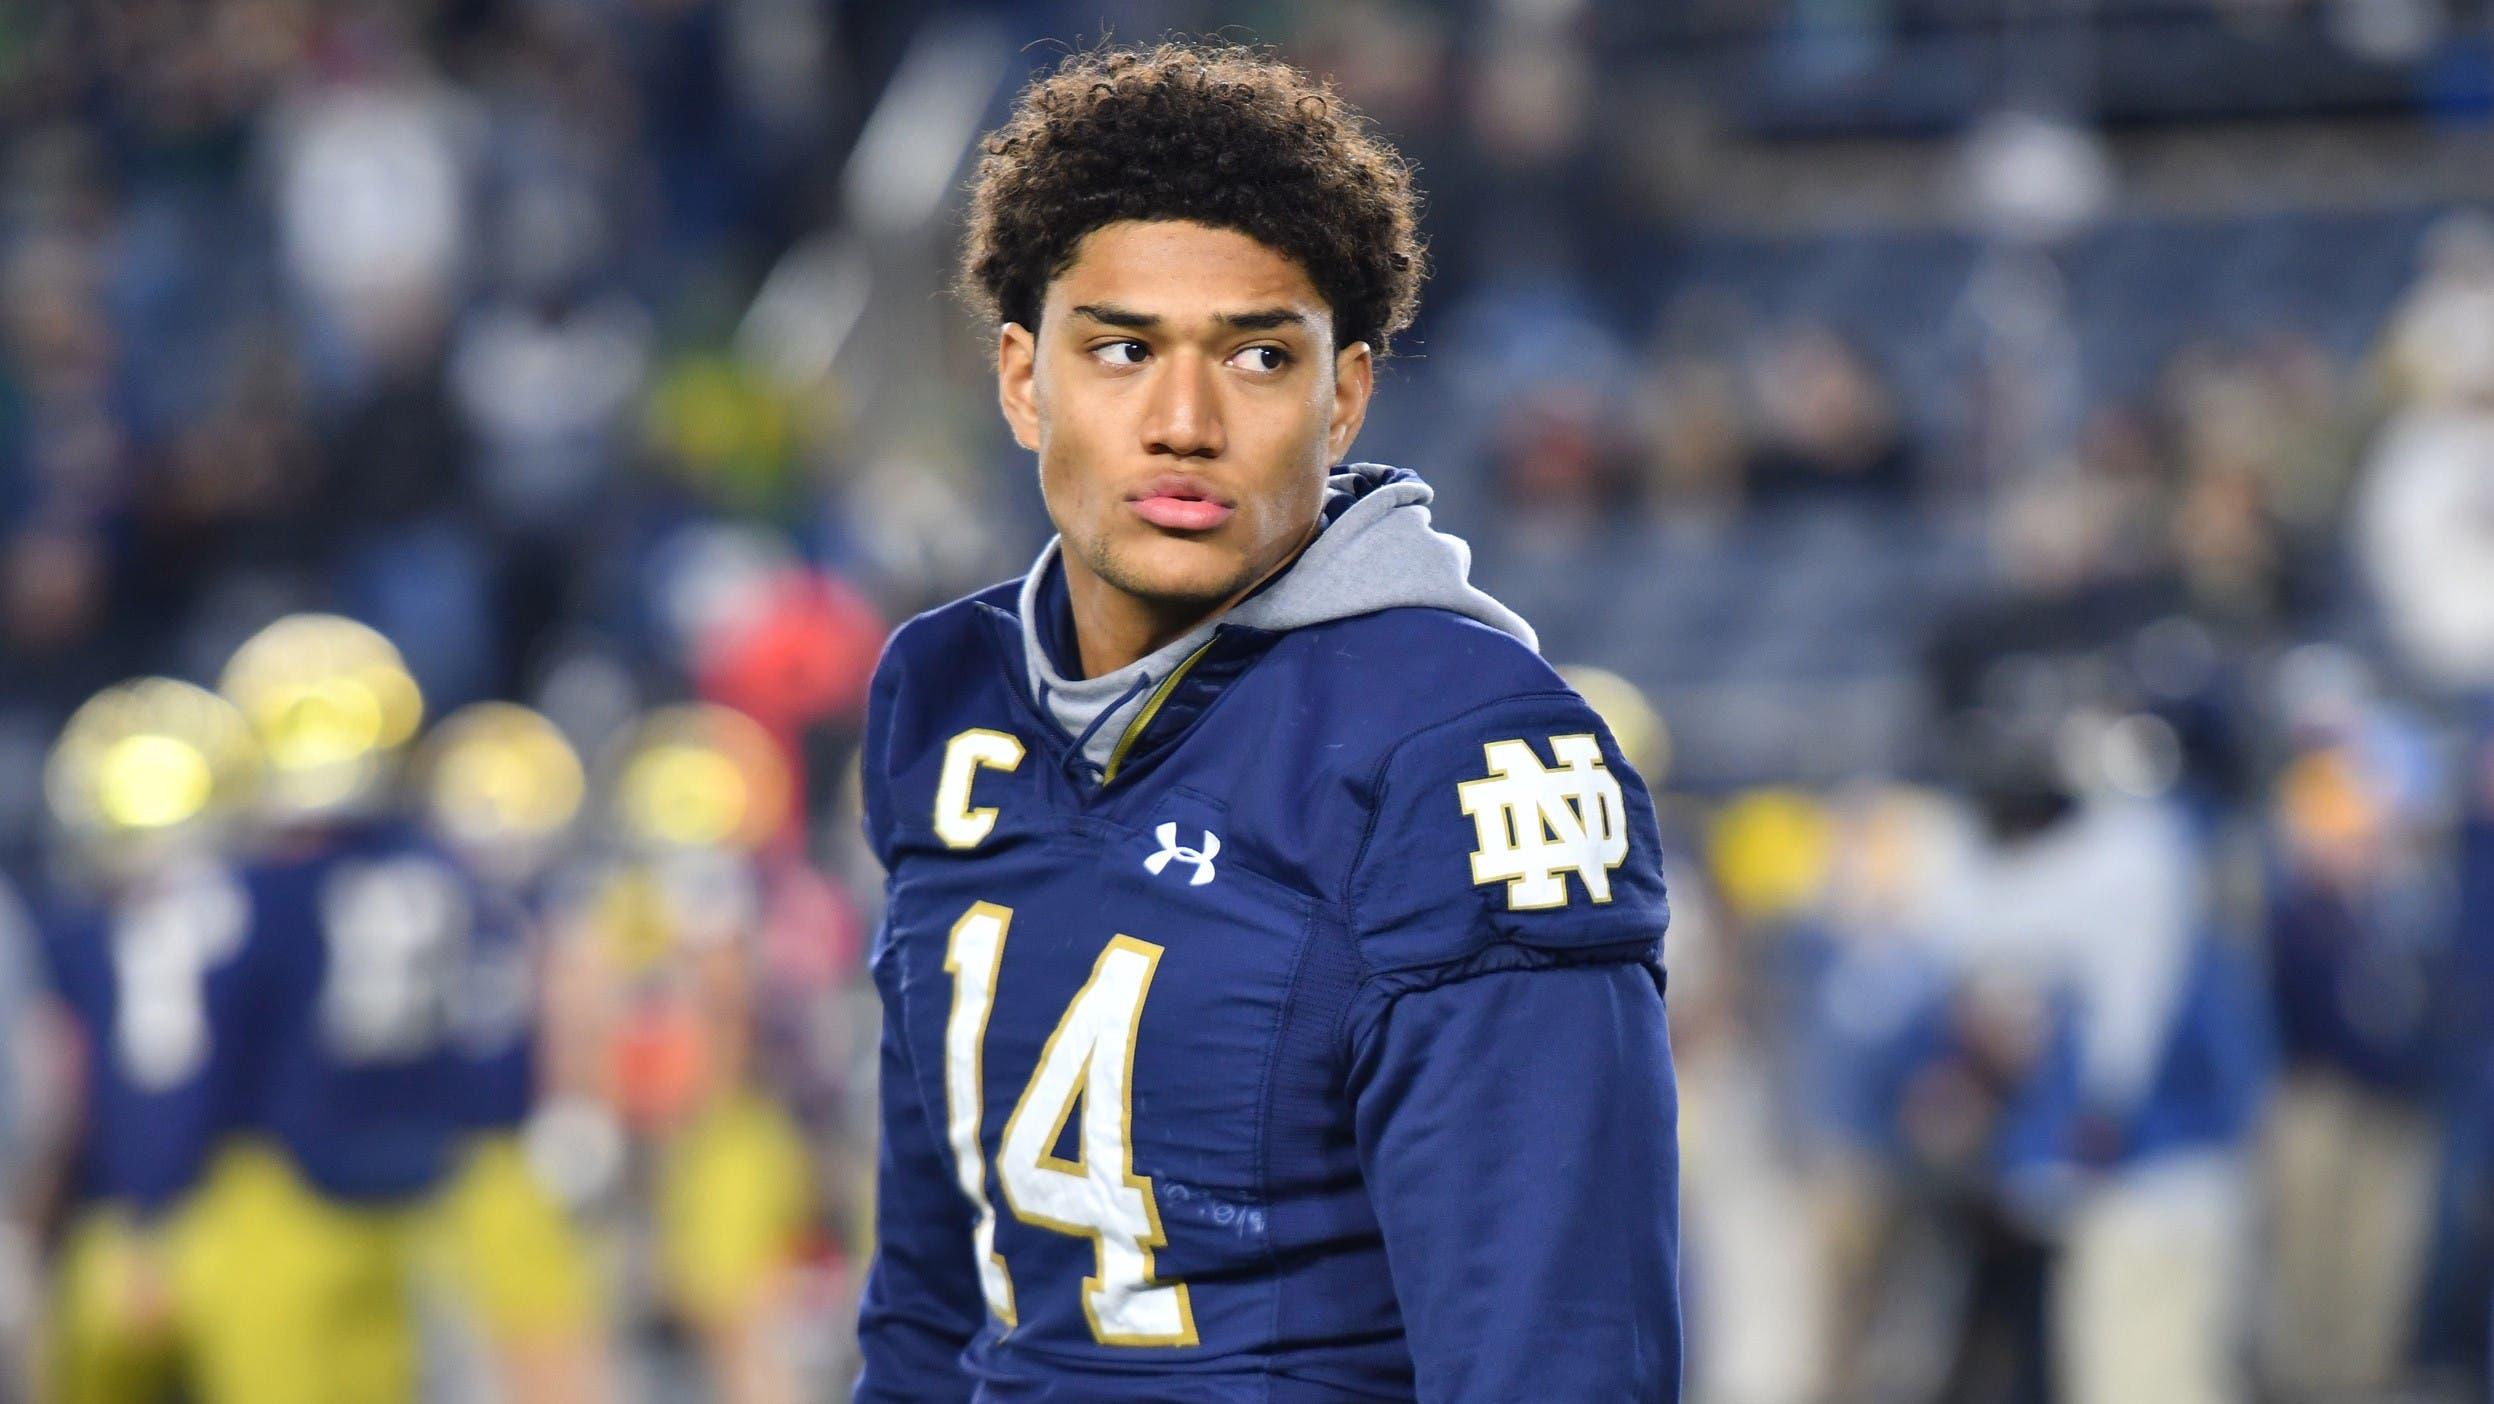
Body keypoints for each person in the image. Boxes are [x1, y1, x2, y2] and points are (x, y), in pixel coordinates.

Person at [851, 41, 1680, 1402]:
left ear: (1341, 396)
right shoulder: (946, 699)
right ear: (1019, 378)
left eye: (1255, 357)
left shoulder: (1464, 755)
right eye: (1121, 350)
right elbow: (936, 1301)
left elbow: (1555, 1350)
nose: (1182, 421)